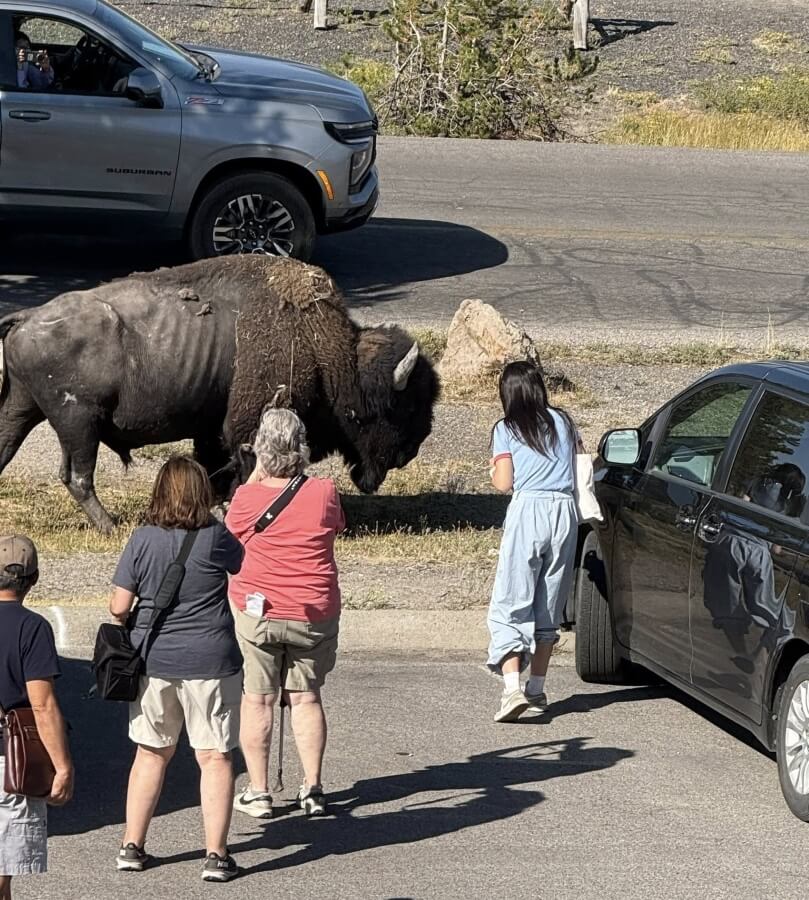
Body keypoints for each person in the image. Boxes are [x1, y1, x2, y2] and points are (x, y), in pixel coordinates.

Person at [110, 457, 244, 883]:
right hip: (211, 661)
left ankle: (133, 845)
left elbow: (118, 606)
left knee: (151, 752)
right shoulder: (215, 535)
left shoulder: (142, 538)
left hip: (155, 662)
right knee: (215, 756)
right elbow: (239, 562)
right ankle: (216, 855)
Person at [226, 408, 344, 820]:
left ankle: (258, 792)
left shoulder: (243, 499)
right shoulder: (325, 492)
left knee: (257, 699)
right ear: (302, 449)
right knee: (307, 697)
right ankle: (312, 788)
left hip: (259, 612)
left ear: (259, 448)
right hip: (313, 612)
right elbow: (335, 529)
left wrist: (259, 471)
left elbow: (232, 536)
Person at [487, 361, 581, 723]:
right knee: (549, 603)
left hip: (529, 509)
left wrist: (493, 468)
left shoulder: (506, 428)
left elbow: (503, 483)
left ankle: (512, 689)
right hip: (564, 511)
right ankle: (537, 688)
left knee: (511, 600)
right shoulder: (564, 421)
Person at [0, 535, 73, 900]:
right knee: (1, 872)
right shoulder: (32, 628)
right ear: (34, 578)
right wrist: (62, 766)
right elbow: (42, 706)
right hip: (7, 759)